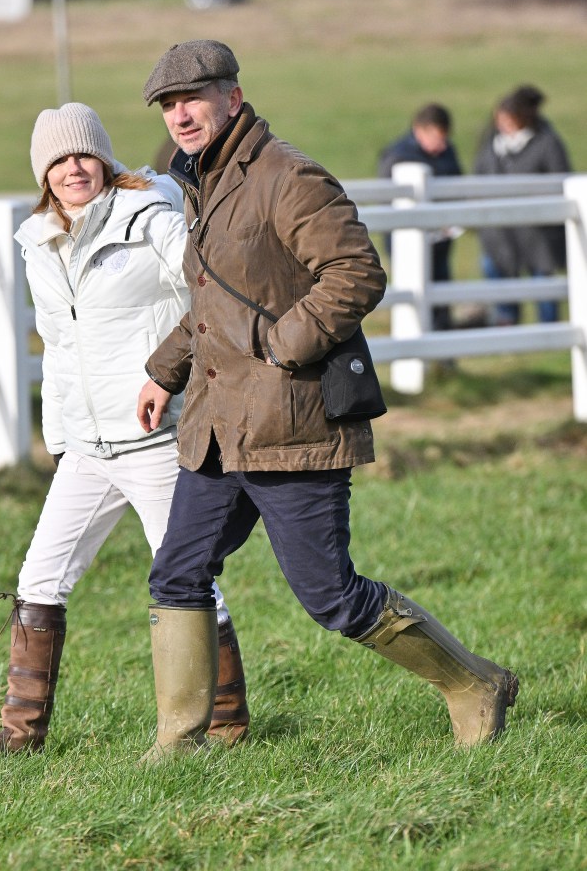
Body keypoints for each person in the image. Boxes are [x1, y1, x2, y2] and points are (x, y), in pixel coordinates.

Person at [135, 39, 519, 762]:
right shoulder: (203, 184)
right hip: (219, 429)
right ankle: (180, 741)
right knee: (177, 571)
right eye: (167, 104)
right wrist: (164, 372)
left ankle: (475, 684)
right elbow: (213, 303)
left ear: (232, 97)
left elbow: (355, 273)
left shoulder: (287, 176)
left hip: (291, 421)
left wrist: (286, 346)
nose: (179, 114)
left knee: (330, 597)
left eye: (192, 97)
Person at [0, 102, 249, 754]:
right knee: (40, 579)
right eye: (58, 160)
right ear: (43, 174)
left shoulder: (150, 218)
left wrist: (169, 377)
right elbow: (58, 348)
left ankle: (225, 723)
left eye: (83, 154)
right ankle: (20, 733)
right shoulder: (41, 243)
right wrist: (60, 440)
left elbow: (212, 294)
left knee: (185, 577)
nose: (73, 168)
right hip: (86, 450)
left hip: (154, 441)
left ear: (105, 160)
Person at [474, 85, 571, 325]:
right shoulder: (491, 144)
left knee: (542, 281)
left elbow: (560, 181)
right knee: (499, 275)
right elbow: (477, 178)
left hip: (536, 231)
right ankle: (506, 322)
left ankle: (550, 328)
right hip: (499, 231)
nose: (503, 122)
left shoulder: (546, 143)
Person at [378, 103, 463, 330]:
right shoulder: (398, 156)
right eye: (436, 137)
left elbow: (458, 187)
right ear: (419, 130)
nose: (441, 144)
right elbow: (388, 201)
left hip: (441, 238)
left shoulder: (447, 151)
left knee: (441, 289)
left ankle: (443, 354)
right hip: (406, 239)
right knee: (414, 289)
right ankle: (419, 340)